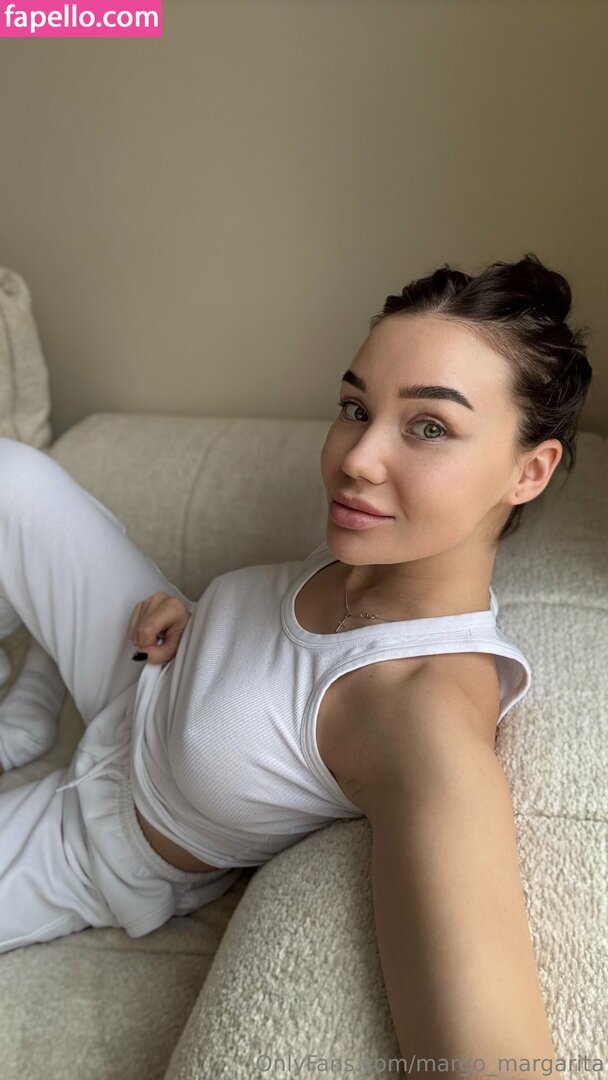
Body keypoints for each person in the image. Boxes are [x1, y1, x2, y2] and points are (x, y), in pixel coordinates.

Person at [0, 251, 592, 955]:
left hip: (109, 831)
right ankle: (32, 704)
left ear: (530, 471)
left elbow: (486, 1025)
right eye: (356, 409)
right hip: (147, 663)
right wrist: (205, 625)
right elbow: (286, 660)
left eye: (430, 426)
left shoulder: (425, 714)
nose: (356, 459)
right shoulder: (383, 548)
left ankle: (32, 699)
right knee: (13, 477)